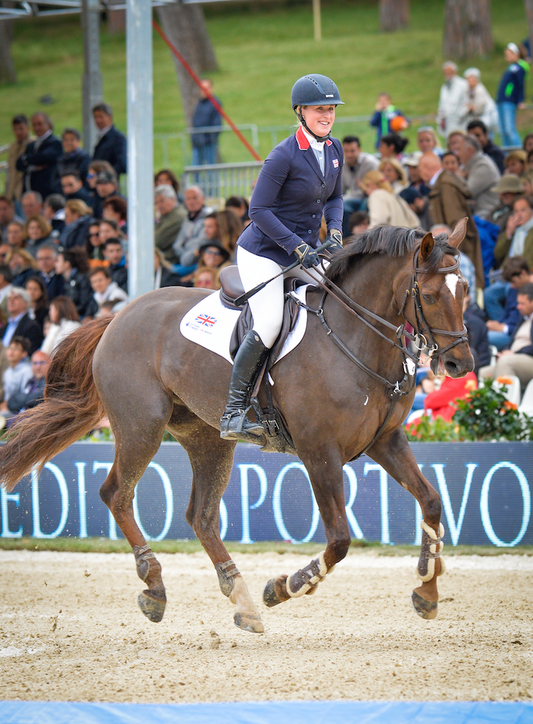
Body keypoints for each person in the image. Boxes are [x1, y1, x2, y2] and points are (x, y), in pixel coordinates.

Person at [219, 73, 345, 440]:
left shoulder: (334, 150)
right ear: (301, 111)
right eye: (320, 110)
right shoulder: (283, 155)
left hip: (305, 249)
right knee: (271, 321)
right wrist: (297, 246)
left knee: (339, 299)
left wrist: (334, 229)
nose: (327, 116)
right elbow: (257, 210)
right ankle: (234, 411)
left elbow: (335, 198)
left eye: (331, 110)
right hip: (264, 252)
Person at [419, 152, 485, 289]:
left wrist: (451, 255)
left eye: (420, 169)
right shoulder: (443, 183)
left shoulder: (445, 185)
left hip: (459, 252)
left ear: (426, 168)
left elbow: (456, 224)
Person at [480, 283, 533, 391]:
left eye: (522, 303)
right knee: (483, 373)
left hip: (528, 358)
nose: (518, 307)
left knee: (506, 362)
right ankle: (483, 406)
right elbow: (511, 342)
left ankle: (504, 405)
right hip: (514, 358)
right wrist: (504, 352)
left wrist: (514, 353)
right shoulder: (523, 318)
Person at [486, 256, 531, 350]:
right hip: (508, 328)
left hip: (518, 334)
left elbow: (526, 323)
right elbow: (507, 313)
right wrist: (496, 323)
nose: (512, 285)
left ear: (523, 273)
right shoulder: (513, 289)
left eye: (514, 281)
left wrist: (503, 328)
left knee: (486, 337)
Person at [15, 113, 63, 200]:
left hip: (47, 192)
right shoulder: (31, 145)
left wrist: (27, 160)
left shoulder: (55, 142)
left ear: (48, 124)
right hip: (30, 190)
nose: (37, 128)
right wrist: (33, 164)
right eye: (34, 125)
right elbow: (19, 164)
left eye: (39, 124)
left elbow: (44, 157)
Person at [455, 135, 500, 220]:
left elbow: (466, 192)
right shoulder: (470, 164)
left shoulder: (483, 166)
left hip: (486, 218)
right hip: (476, 215)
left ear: (470, 150)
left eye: (459, 149)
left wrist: (458, 178)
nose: (457, 154)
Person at [171, 186, 209, 278]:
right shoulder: (187, 219)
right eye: (188, 199)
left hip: (196, 262)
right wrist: (184, 256)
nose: (191, 202)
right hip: (183, 260)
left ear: (202, 199)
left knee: (170, 274)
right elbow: (177, 244)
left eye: (195, 198)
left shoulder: (208, 218)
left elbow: (200, 243)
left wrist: (186, 257)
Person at [1, 349, 50, 420]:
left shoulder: (49, 382)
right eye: (35, 363)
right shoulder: (31, 380)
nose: (38, 367)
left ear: (50, 363)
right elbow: (16, 397)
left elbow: (33, 399)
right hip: (18, 415)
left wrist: (11, 402)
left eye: (42, 363)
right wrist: (11, 402)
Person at [496, 43, 529, 148]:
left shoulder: (519, 67)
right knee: (503, 131)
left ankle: (519, 150)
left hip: (509, 101)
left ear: (516, 54)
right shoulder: (511, 67)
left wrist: (520, 100)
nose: (507, 56)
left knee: (510, 129)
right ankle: (508, 155)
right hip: (502, 100)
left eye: (509, 54)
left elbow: (520, 85)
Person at [54, 248, 98, 319]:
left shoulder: (82, 278)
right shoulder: (65, 280)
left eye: (58, 261)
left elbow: (85, 302)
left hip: (84, 317)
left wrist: (68, 313)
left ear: (67, 264)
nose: (55, 264)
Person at [493, 195, 533, 269]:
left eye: (523, 210)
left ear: (531, 212)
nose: (519, 214)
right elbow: (497, 254)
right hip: (508, 274)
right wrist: (508, 232)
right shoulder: (513, 230)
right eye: (516, 211)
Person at [0, 287, 43, 354]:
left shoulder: (32, 327)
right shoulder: (4, 327)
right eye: (9, 299)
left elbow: (29, 353)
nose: (11, 301)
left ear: (26, 303)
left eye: (16, 298)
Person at [91, 102, 127, 178]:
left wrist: (105, 176)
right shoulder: (101, 137)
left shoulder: (117, 138)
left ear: (109, 117)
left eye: (101, 117)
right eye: (95, 117)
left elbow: (122, 164)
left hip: (108, 183)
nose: (98, 120)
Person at [191, 79, 222, 166]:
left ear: (211, 89)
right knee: (195, 168)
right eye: (202, 88)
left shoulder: (215, 103)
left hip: (209, 142)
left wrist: (210, 137)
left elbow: (217, 123)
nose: (204, 91)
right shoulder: (199, 103)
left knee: (210, 168)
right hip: (197, 143)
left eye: (207, 88)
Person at [154, 185, 187, 264]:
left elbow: (157, 241)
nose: (159, 206)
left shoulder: (178, 216)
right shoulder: (167, 215)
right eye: (156, 202)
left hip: (172, 261)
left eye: (162, 201)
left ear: (172, 199)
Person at [0, 336, 33, 415]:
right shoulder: (8, 371)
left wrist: (7, 405)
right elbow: (7, 396)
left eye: (16, 349)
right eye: (10, 348)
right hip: (7, 407)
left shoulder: (27, 371)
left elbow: (25, 396)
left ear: (24, 354)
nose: (11, 351)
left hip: (19, 411)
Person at [437, 61, 468, 137]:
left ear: (454, 72)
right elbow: (442, 105)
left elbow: (466, 103)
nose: (448, 75)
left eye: (449, 72)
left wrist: (460, 117)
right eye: (446, 72)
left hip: (461, 122)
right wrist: (440, 119)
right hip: (448, 122)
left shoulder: (463, 84)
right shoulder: (444, 87)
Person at [6, 115, 32, 205]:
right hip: (12, 193)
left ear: (27, 128)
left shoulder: (33, 144)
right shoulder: (13, 146)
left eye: (21, 129)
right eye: (15, 129)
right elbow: (10, 171)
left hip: (26, 191)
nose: (18, 132)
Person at [463, 68, 498, 134]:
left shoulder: (480, 90)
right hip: (481, 119)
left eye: (471, 79)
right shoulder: (469, 91)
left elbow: (478, 108)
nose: (469, 81)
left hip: (487, 118)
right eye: (467, 79)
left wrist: (470, 107)